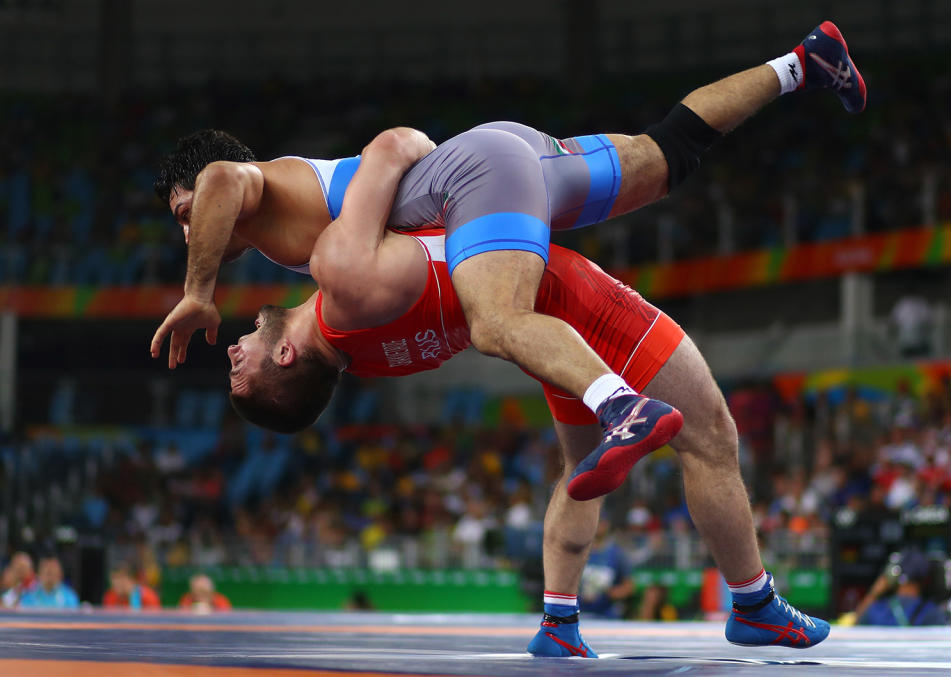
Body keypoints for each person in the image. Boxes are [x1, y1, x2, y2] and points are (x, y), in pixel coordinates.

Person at [152, 22, 866, 507]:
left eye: (184, 217)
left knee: (499, 321)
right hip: (495, 176)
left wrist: (198, 291)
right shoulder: (297, 253)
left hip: (475, 184)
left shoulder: (258, 194)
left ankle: (621, 404)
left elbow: (225, 179)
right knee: (665, 154)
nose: (192, 233)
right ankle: (802, 63)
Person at [853, 551, 951, 626]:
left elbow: (855, 624)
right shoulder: (932, 613)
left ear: (893, 577)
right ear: (925, 580)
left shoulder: (877, 609)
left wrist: (875, 592)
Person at [579, 516, 634, 619]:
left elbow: (629, 586)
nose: (597, 526)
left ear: (607, 525)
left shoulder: (617, 554)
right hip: (577, 612)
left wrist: (610, 593)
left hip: (606, 614)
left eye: (601, 522)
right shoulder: (578, 553)